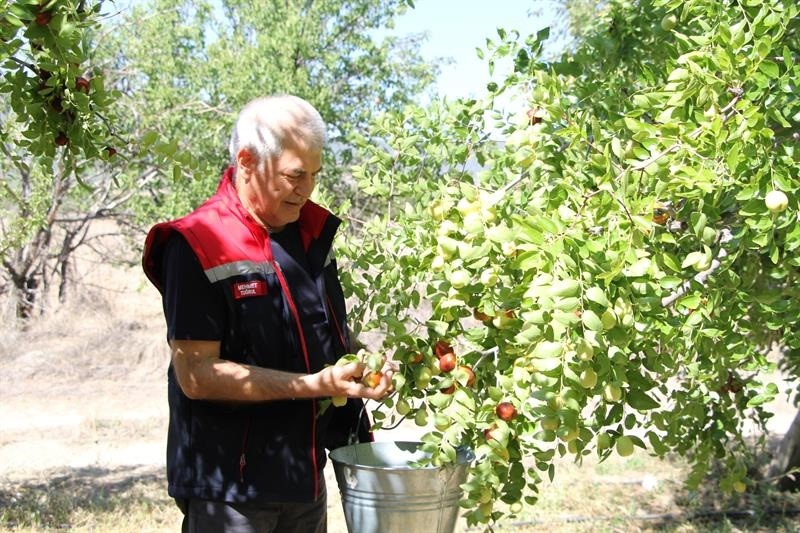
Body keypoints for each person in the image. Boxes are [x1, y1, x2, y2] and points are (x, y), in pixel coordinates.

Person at [141, 95, 394, 532]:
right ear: (247, 161)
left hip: (304, 477)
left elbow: (324, 334)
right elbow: (196, 374)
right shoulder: (198, 242)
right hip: (232, 490)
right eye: (295, 176)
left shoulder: (308, 234)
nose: (307, 189)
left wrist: (360, 365)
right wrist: (310, 386)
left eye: (314, 175)